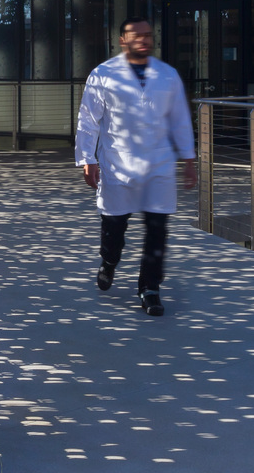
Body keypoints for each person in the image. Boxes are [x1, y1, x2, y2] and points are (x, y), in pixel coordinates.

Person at [76, 17, 196, 318]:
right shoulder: (103, 74)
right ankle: (109, 262)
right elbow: (88, 119)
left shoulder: (167, 75)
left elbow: (180, 119)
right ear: (122, 40)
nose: (144, 39)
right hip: (118, 163)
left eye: (147, 35)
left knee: (158, 230)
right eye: (136, 35)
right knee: (114, 227)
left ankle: (150, 288)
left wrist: (189, 161)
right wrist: (87, 159)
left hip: (159, 164)